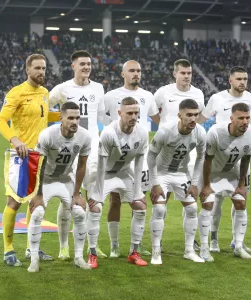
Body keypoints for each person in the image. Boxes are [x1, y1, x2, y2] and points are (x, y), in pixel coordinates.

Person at [0, 53, 57, 266]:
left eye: (44, 68)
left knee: (36, 203)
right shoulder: (16, 93)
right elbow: (1, 121)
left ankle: (32, 247)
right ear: (27, 70)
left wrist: (63, 116)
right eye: (37, 68)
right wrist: (15, 140)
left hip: (41, 155)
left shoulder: (45, 92)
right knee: (13, 202)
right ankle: (8, 250)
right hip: (21, 156)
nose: (41, 72)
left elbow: (44, 115)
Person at [49, 50, 106, 259]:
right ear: (73, 66)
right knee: (67, 198)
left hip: (92, 149)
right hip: (69, 150)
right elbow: (44, 106)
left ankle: (93, 244)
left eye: (89, 64)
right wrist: (60, 120)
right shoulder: (63, 89)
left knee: (94, 198)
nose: (87, 67)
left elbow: (102, 116)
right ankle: (64, 246)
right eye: (82, 64)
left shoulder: (99, 89)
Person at [101, 60, 159, 257]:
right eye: (132, 71)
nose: (136, 74)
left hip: (138, 153)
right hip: (118, 152)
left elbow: (156, 119)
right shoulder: (111, 96)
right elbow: (103, 119)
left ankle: (137, 243)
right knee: (115, 200)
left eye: (139, 71)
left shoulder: (148, 96)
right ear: (122, 74)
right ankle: (114, 245)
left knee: (139, 197)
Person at [28, 101, 92, 272]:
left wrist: (77, 194)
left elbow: (81, 166)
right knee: (38, 212)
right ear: (60, 118)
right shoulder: (48, 135)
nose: (75, 122)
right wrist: (38, 194)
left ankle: (78, 257)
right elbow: (39, 165)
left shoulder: (85, 136)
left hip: (65, 180)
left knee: (79, 212)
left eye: (77, 118)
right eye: (70, 118)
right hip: (46, 180)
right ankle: (34, 258)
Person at [198, 66, 251, 253]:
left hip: (238, 154)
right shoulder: (217, 98)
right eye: (239, 78)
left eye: (245, 79)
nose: (242, 82)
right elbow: (203, 118)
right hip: (218, 149)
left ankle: (236, 240)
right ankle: (213, 240)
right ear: (230, 80)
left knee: (240, 197)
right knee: (216, 201)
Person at [86, 97, 149, 268]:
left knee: (141, 207)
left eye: (136, 113)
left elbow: (138, 164)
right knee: (95, 208)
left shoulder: (142, 133)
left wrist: (137, 192)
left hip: (123, 172)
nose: (134, 116)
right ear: (119, 113)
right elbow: (100, 165)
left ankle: (134, 253)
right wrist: (97, 194)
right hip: (102, 173)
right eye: (129, 113)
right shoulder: (108, 133)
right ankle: (92, 254)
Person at [154, 59, 205, 250]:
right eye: (183, 73)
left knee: (191, 195)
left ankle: (191, 239)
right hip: (166, 149)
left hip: (188, 150)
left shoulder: (198, 94)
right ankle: (156, 238)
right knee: (162, 196)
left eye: (189, 73)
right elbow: (153, 112)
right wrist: (166, 129)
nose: (186, 76)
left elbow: (197, 118)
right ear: (175, 74)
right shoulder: (163, 92)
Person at [148, 99, 206, 265]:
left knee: (193, 208)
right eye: (189, 115)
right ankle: (156, 251)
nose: (193, 119)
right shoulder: (165, 131)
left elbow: (201, 157)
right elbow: (151, 156)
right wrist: (155, 183)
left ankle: (189, 250)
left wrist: (195, 184)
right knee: (159, 209)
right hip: (161, 174)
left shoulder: (200, 132)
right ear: (179, 115)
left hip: (181, 174)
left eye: (196, 115)